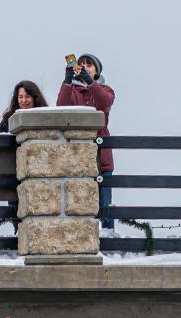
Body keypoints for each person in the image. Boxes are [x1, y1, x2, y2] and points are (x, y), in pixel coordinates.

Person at [57, 54, 115, 229]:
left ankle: (109, 237)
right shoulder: (72, 91)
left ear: (97, 71)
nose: (84, 67)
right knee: (77, 201)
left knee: (104, 202)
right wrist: (68, 81)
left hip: (101, 157)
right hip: (76, 155)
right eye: (81, 64)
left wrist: (90, 83)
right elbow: (62, 108)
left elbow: (103, 103)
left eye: (89, 65)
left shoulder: (106, 90)